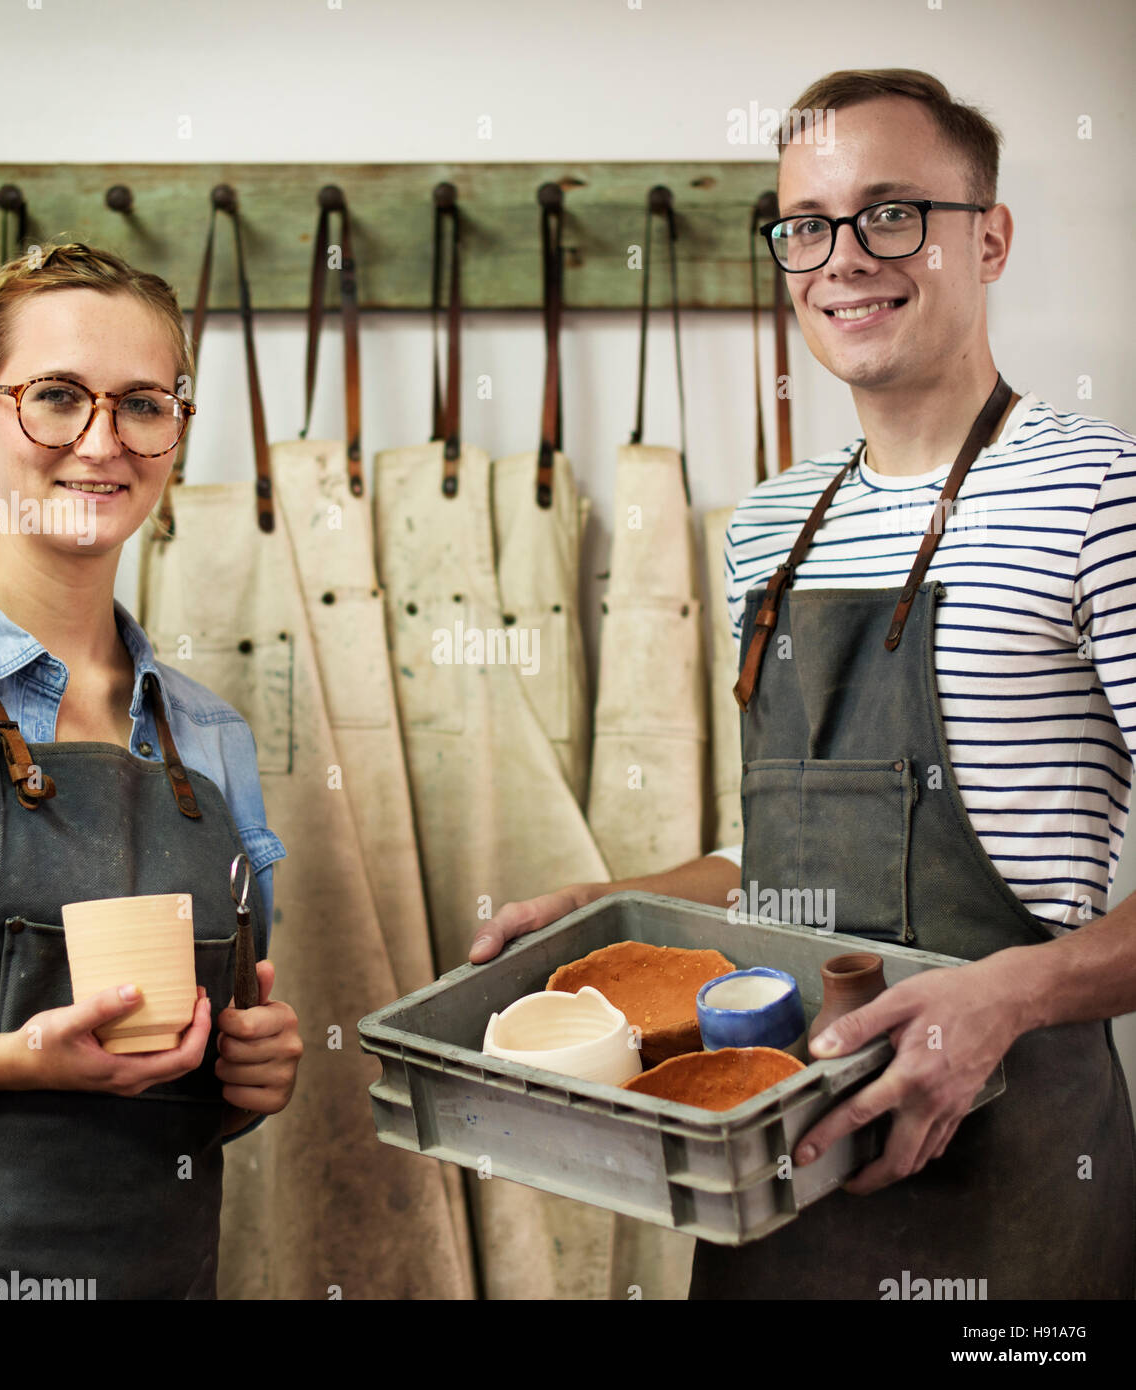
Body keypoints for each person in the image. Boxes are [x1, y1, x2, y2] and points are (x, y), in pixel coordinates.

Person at [471, 69, 1136, 1299]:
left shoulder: (1101, 496)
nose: (843, 259)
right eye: (807, 224)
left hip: (1011, 1174)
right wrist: (603, 907)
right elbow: (779, 874)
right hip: (775, 1157)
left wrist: (997, 999)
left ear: (986, 236)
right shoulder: (768, 527)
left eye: (891, 214)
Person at [0, 243, 303, 1299]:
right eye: (56, 397)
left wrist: (249, 1076)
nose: (102, 441)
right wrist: (17, 1060)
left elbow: (204, 1069)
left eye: (144, 403)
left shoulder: (210, 734)